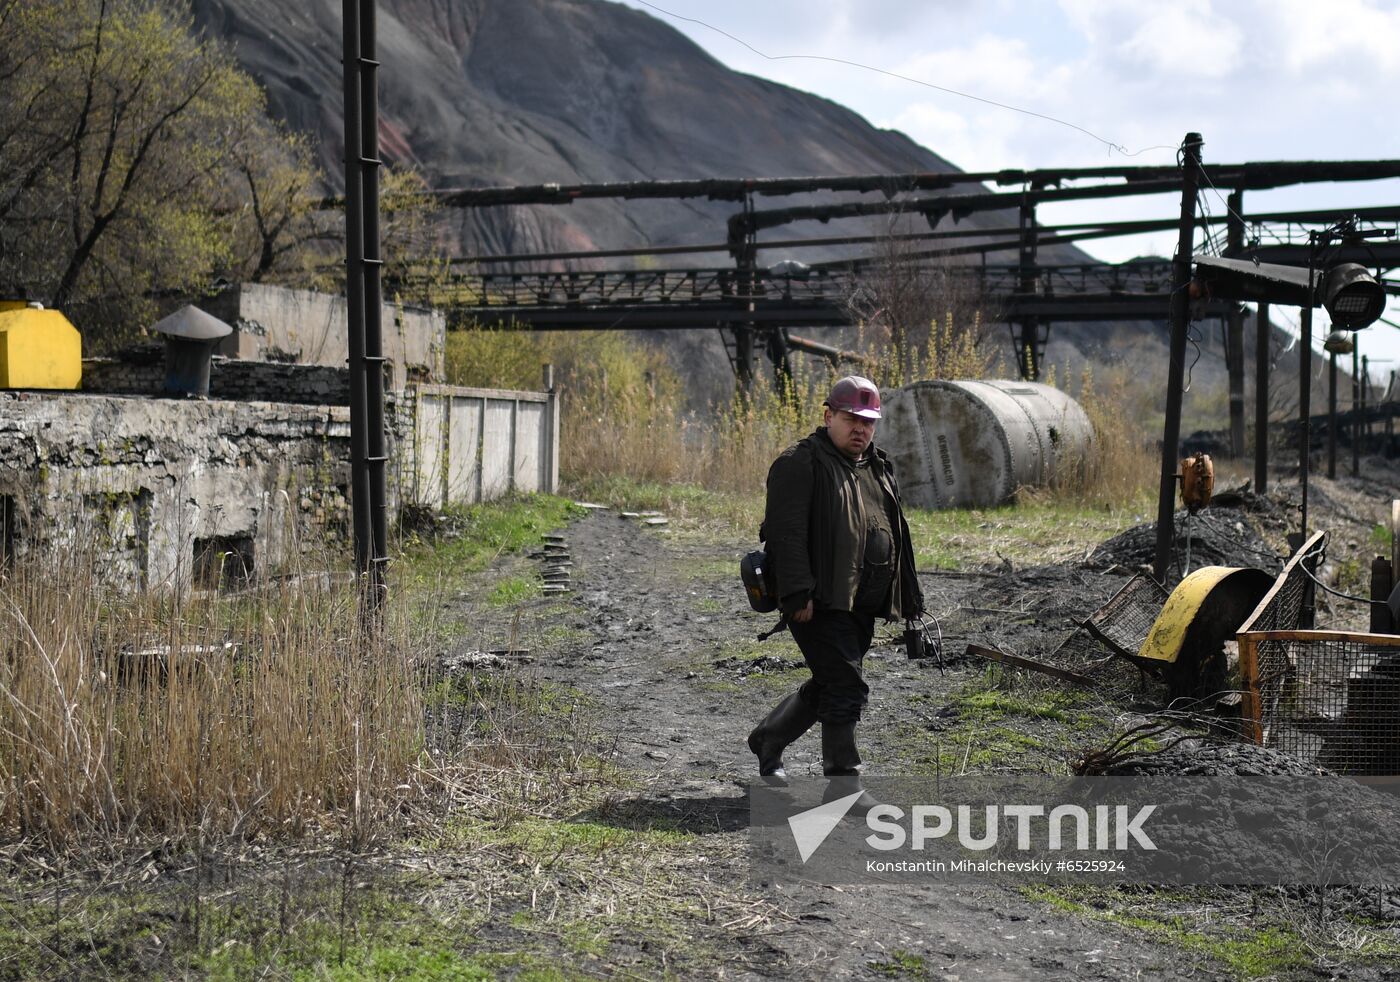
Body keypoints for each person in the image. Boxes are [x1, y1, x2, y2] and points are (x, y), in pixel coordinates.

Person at [747, 375, 923, 804]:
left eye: (868, 421)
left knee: (831, 682)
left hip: (861, 601)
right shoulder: (800, 463)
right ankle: (843, 785)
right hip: (819, 602)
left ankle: (769, 738)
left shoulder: (877, 466)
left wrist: (910, 600)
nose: (860, 429)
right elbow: (785, 535)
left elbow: (897, 534)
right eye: (851, 419)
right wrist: (796, 594)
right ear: (829, 416)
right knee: (846, 685)